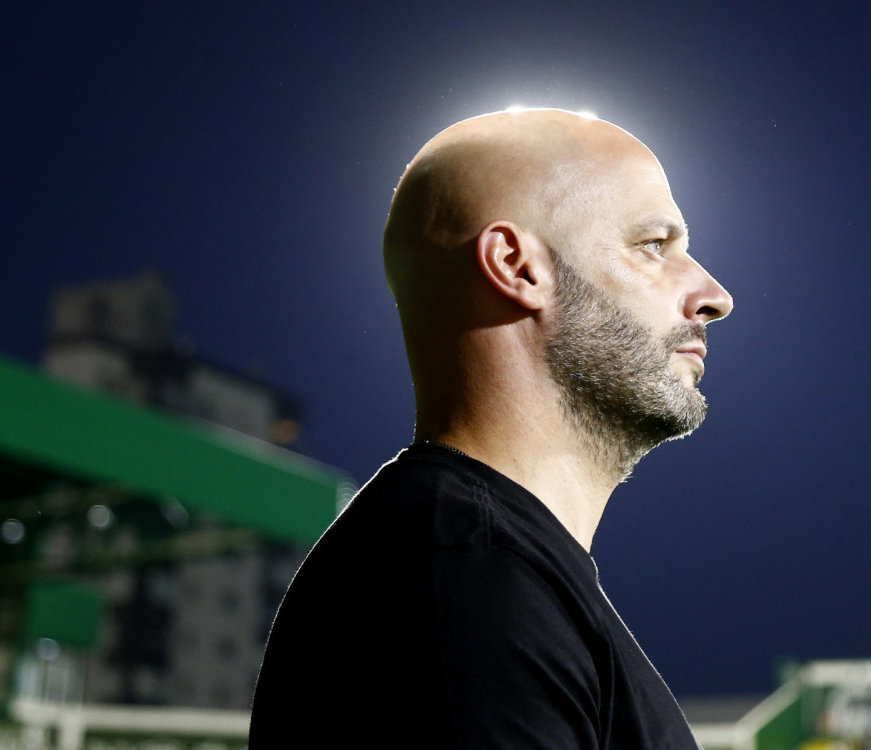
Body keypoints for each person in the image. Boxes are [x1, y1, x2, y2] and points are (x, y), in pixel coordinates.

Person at [249, 108, 733, 747]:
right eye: (653, 245)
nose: (714, 295)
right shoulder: (466, 586)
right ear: (517, 265)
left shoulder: (485, 573)